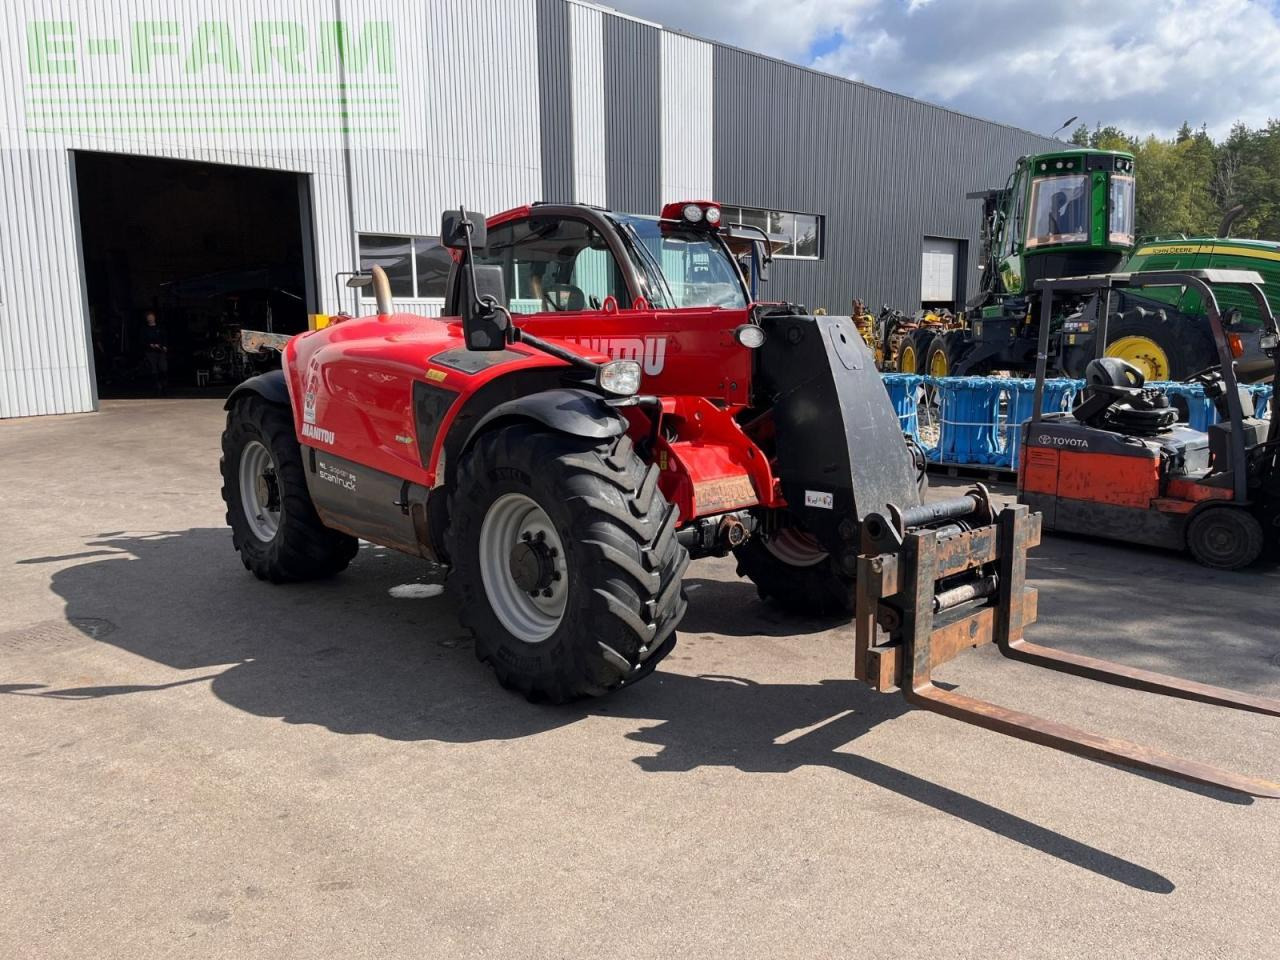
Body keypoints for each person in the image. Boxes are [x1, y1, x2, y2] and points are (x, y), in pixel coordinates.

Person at [141, 310, 168, 395]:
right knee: (153, 370)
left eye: (152, 317)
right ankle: (157, 388)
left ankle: (164, 387)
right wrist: (150, 345)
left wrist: (164, 346)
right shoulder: (145, 329)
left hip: (160, 351)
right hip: (150, 352)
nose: (150, 319)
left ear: (154, 318)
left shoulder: (160, 328)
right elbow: (142, 341)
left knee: (163, 368)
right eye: (149, 318)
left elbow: (164, 338)